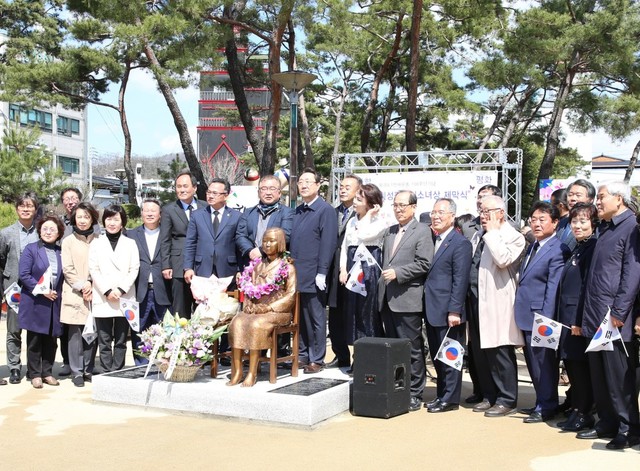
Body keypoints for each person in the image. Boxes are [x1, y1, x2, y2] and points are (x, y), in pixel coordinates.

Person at [578, 182, 640, 450]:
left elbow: (632, 274)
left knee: (618, 377)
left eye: (601, 197)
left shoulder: (631, 228)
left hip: (613, 319)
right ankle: (606, 422)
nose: (598, 202)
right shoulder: (604, 229)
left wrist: (619, 311)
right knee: (600, 376)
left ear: (619, 198)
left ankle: (629, 429)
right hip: (595, 316)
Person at [515, 201, 570, 424]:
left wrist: (545, 321)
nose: (536, 224)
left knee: (544, 364)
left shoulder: (558, 249)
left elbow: (553, 287)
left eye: (542, 220)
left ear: (555, 223)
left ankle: (547, 406)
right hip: (527, 314)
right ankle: (542, 401)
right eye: (533, 219)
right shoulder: (533, 246)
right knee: (534, 364)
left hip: (541, 317)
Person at [378, 190, 432, 412]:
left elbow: (424, 263)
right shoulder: (390, 231)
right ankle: (397, 387)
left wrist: (398, 273)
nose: (398, 209)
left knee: (411, 349)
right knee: (393, 349)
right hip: (387, 299)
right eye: (395, 205)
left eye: (403, 205)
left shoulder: (422, 231)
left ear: (413, 207)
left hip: (407, 299)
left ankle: (415, 393)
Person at [474, 195, 525, 418]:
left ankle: (507, 398)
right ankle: (491, 395)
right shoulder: (480, 234)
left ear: (501, 213)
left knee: (501, 349)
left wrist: (493, 233)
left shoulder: (513, 236)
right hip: (480, 298)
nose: (483, 216)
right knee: (486, 351)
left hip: (500, 299)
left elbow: (503, 259)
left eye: (487, 212)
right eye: (481, 211)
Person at [227, 228, 297, 387]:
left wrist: (268, 307)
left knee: (255, 324)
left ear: (279, 243)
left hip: (277, 311)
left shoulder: (287, 267)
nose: (267, 244)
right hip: (256, 310)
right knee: (237, 322)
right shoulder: (256, 266)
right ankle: (237, 371)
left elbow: (290, 294)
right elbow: (249, 290)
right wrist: (249, 305)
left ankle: (252, 372)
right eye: (265, 241)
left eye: (271, 241)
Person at [235, 175, 293, 359]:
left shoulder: (287, 213)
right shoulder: (249, 213)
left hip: (277, 267)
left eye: (272, 189)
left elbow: (287, 235)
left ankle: (280, 352)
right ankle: (254, 352)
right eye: (263, 189)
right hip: (253, 267)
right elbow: (240, 235)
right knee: (252, 309)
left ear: (279, 192)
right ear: (258, 191)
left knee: (274, 305)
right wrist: (251, 251)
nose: (267, 192)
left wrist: (262, 250)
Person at [423, 198, 472, 413]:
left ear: (452, 216)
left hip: (449, 311)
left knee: (450, 356)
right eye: (433, 212)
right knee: (437, 355)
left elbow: (460, 280)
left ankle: (450, 399)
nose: (436, 216)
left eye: (441, 212)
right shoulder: (432, 240)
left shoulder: (460, 243)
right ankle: (442, 394)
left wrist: (455, 310)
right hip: (431, 308)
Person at [289, 168, 338, 374]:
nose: (304, 185)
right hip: (297, 274)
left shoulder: (325, 210)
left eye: (309, 181)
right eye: (301, 182)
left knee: (316, 318)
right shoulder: (298, 210)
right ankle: (301, 353)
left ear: (318, 185)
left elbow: (328, 243)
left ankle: (316, 358)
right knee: (299, 317)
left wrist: (322, 272)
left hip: (314, 274)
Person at [555, 203, 598, 432]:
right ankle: (578, 410)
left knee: (580, 368)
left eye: (583, 221)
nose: (577, 226)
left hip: (577, 320)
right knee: (572, 365)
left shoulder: (593, 247)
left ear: (593, 224)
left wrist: (579, 320)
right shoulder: (578, 247)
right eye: (574, 222)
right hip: (567, 316)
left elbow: (586, 288)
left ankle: (585, 412)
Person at [462, 184, 502, 405]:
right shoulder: (470, 227)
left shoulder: (505, 228)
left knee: (492, 348)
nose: (480, 203)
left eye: (486, 199)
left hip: (492, 298)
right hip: (471, 296)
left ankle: (497, 394)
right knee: (475, 348)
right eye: (479, 199)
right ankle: (481, 390)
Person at [89, 204, 140, 373]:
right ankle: (105, 369)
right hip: (103, 296)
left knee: (120, 338)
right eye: (109, 219)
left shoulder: (131, 243)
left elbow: (134, 268)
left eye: (116, 219)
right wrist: (107, 290)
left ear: (122, 222)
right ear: (104, 221)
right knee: (104, 338)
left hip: (124, 296)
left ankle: (118, 369)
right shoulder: (96, 243)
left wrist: (121, 289)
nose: (112, 223)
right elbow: (93, 269)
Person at [338, 183, 387, 353]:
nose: (355, 202)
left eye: (359, 200)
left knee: (367, 311)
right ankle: (356, 354)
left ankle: (370, 352)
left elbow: (363, 235)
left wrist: (369, 216)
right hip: (352, 266)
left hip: (368, 269)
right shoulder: (352, 220)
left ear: (370, 203)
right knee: (352, 312)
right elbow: (346, 246)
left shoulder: (380, 221)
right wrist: (343, 269)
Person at [18, 215, 65, 389]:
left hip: (54, 301)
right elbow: (24, 275)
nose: (48, 232)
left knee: (51, 340)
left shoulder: (61, 252)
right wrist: (42, 290)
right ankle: (35, 374)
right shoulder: (31, 249)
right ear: (39, 231)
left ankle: (47, 372)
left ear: (59, 233)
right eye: (45, 228)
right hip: (36, 301)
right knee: (35, 339)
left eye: (52, 229)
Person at [0, 192, 40, 385]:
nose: (26, 209)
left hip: (36, 287)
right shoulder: (5, 233)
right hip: (13, 288)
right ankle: (14, 368)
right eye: (22, 206)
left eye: (30, 206)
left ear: (35, 209)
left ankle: (34, 368)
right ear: (17, 209)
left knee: (34, 331)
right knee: (14, 331)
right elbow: (1, 261)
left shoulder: (41, 232)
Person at [61, 203, 100, 387]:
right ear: (73, 218)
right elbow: (67, 269)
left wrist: (92, 284)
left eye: (86, 217)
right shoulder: (68, 241)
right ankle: (76, 371)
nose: (83, 221)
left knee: (92, 333)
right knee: (75, 334)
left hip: (96, 292)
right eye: (79, 217)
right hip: (75, 293)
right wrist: (83, 285)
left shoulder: (99, 239)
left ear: (92, 218)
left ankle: (88, 369)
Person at [128, 199, 172, 366]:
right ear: (141, 214)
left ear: (160, 214)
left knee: (164, 330)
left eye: (154, 210)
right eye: (146, 210)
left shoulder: (168, 234)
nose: (150, 213)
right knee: (139, 330)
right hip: (140, 290)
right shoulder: (131, 234)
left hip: (163, 289)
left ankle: (162, 365)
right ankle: (141, 366)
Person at [328, 174, 362, 369]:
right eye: (341, 186)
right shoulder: (332, 212)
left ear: (358, 191)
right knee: (335, 315)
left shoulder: (361, 214)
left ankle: (359, 357)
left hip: (355, 271)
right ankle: (340, 355)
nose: (342, 189)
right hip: (335, 270)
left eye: (347, 187)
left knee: (355, 314)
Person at [183, 178, 241, 285]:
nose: (210, 196)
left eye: (215, 193)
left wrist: (239, 269)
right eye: (208, 192)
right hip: (203, 269)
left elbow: (239, 245)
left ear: (226, 195)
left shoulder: (236, 216)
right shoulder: (197, 216)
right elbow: (190, 243)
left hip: (227, 269)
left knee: (227, 301)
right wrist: (188, 268)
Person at [160, 171, 199, 318]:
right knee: (180, 310)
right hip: (178, 265)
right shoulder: (169, 209)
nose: (181, 190)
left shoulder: (205, 207)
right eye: (178, 186)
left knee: (202, 310)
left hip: (201, 265)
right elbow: (165, 239)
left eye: (185, 186)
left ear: (194, 188)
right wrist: (166, 265)